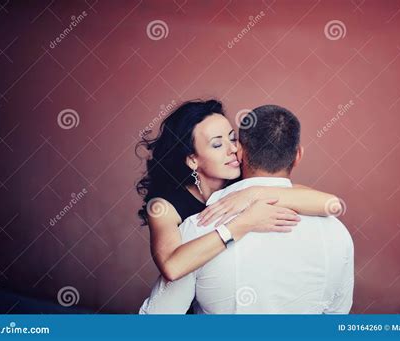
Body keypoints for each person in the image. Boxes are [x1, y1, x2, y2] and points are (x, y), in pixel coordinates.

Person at [139, 105, 354, 314]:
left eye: (233, 139)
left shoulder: (243, 186)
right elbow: (173, 267)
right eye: (217, 144)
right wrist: (244, 223)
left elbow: (330, 203)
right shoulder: (169, 208)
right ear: (193, 160)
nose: (232, 149)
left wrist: (254, 193)